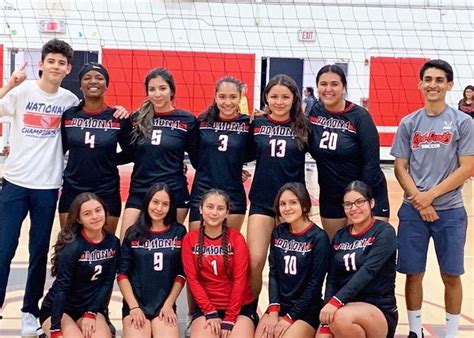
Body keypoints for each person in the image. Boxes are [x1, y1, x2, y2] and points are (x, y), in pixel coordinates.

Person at [0, 39, 79, 335]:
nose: (56, 66)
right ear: (42, 63)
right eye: (52, 61)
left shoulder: (69, 101)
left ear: (67, 68)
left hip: (47, 187)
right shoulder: (22, 92)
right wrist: (8, 84)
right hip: (14, 184)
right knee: (4, 250)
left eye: (62, 63)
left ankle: (29, 312)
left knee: (38, 253)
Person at [391, 59, 474, 338]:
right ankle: (416, 331)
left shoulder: (462, 122)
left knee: (451, 275)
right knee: (413, 274)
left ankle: (451, 334)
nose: (433, 85)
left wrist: (430, 197)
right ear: (420, 84)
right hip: (413, 211)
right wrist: (419, 200)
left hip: (449, 211)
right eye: (428, 79)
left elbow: (466, 167)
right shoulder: (409, 122)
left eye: (439, 80)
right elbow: (400, 167)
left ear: (449, 85)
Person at [308, 64, 389, 240]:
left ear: (344, 87)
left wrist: (360, 200)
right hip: (332, 193)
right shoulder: (314, 112)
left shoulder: (360, 117)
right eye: (323, 84)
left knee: (364, 253)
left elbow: (371, 164)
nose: (328, 89)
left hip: (365, 192)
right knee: (336, 252)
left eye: (334, 84)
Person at [247, 74, 310, 298]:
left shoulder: (305, 127)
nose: (279, 101)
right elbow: (236, 151)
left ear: (294, 99)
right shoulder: (257, 123)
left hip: (292, 205)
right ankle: (249, 312)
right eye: (274, 96)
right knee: (254, 262)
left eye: (285, 96)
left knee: (288, 265)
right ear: (266, 97)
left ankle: (289, 311)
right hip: (262, 200)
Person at [120, 68, 198, 239]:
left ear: (172, 91)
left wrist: (235, 168)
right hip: (140, 189)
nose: (157, 94)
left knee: (167, 247)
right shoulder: (135, 119)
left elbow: (199, 159)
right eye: (152, 89)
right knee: (127, 242)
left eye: (162, 88)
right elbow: (129, 153)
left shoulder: (187, 120)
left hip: (174, 192)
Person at [316, 180, 398, 338]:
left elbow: (368, 271)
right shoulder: (340, 236)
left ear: (372, 203)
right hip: (343, 305)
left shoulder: (384, 232)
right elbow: (332, 278)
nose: (354, 208)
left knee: (340, 319)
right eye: (348, 204)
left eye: (359, 202)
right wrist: (328, 310)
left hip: (377, 308)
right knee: (322, 335)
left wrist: (336, 302)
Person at [59, 62, 133, 233]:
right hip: (73, 188)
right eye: (87, 78)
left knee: (105, 246)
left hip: (106, 190)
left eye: (99, 78)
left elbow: (131, 151)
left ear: (106, 85)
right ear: (80, 85)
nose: (93, 81)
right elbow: (58, 148)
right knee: (69, 245)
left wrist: (108, 158)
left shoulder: (117, 117)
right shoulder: (69, 115)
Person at [39, 193, 120, 338]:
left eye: (98, 210)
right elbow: (61, 290)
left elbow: (107, 283)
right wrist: (55, 328)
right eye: (87, 214)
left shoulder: (113, 242)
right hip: (59, 310)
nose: (95, 216)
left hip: (89, 308)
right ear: (79, 219)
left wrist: (91, 312)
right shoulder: (72, 247)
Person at [255, 182, 330, 338]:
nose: (287, 208)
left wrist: (290, 318)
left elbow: (314, 284)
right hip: (280, 306)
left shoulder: (318, 237)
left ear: (304, 205)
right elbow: (274, 273)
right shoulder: (278, 232)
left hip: (306, 309)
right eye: (282, 204)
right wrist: (274, 311)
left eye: (293, 202)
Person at [182, 189, 258, 338]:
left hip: (239, 307)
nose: (214, 213)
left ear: (227, 213)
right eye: (210, 207)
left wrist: (230, 317)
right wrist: (209, 311)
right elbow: (192, 280)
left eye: (220, 208)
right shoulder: (190, 239)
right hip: (207, 308)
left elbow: (240, 280)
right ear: (201, 209)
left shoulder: (237, 239)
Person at [117, 183, 186, 338]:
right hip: (136, 305)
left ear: (171, 207)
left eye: (165, 204)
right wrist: (133, 307)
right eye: (155, 202)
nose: (159, 208)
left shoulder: (178, 232)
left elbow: (181, 274)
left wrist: (169, 304)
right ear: (147, 202)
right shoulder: (133, 233)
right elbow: (122, 274)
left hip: (164, 305)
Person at [189, 76, 252, 231]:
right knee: (198, 247)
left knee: (227, 247)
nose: (227, 102)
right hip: (202, 190)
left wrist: (235, 167)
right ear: (215, 97)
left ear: (240, 97)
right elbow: (195, 157)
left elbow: (254, 152)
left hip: (233, 193)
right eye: (222, 97)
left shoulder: (248, 124)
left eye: (233, 97)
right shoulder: (202, 122)